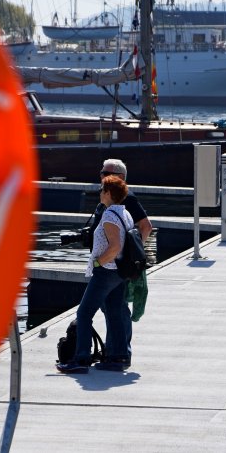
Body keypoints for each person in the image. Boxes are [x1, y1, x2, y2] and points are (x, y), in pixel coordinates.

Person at [57, 175, 133, 374]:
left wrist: (99, 262)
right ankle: (119, 357)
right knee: (115, 314)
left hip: (106, 272)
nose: (100, 193)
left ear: (108, 193)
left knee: (84, 314)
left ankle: (81, 358)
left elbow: (115, 246)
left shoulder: (109, 216)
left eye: (102, 190)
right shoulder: (125, 213)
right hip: (119, 272)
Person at [96, 159, 151, 369]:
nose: (101, 177)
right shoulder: (110, 200)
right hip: (110, 263)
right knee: (112, 307)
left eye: (105, 173)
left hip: (115, 265)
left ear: (120, 177)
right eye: (101, 173)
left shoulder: (127, 197)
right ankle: (115, 350)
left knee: (116, 308)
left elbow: (145, 226)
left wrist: (131, 254)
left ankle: (119, 354)